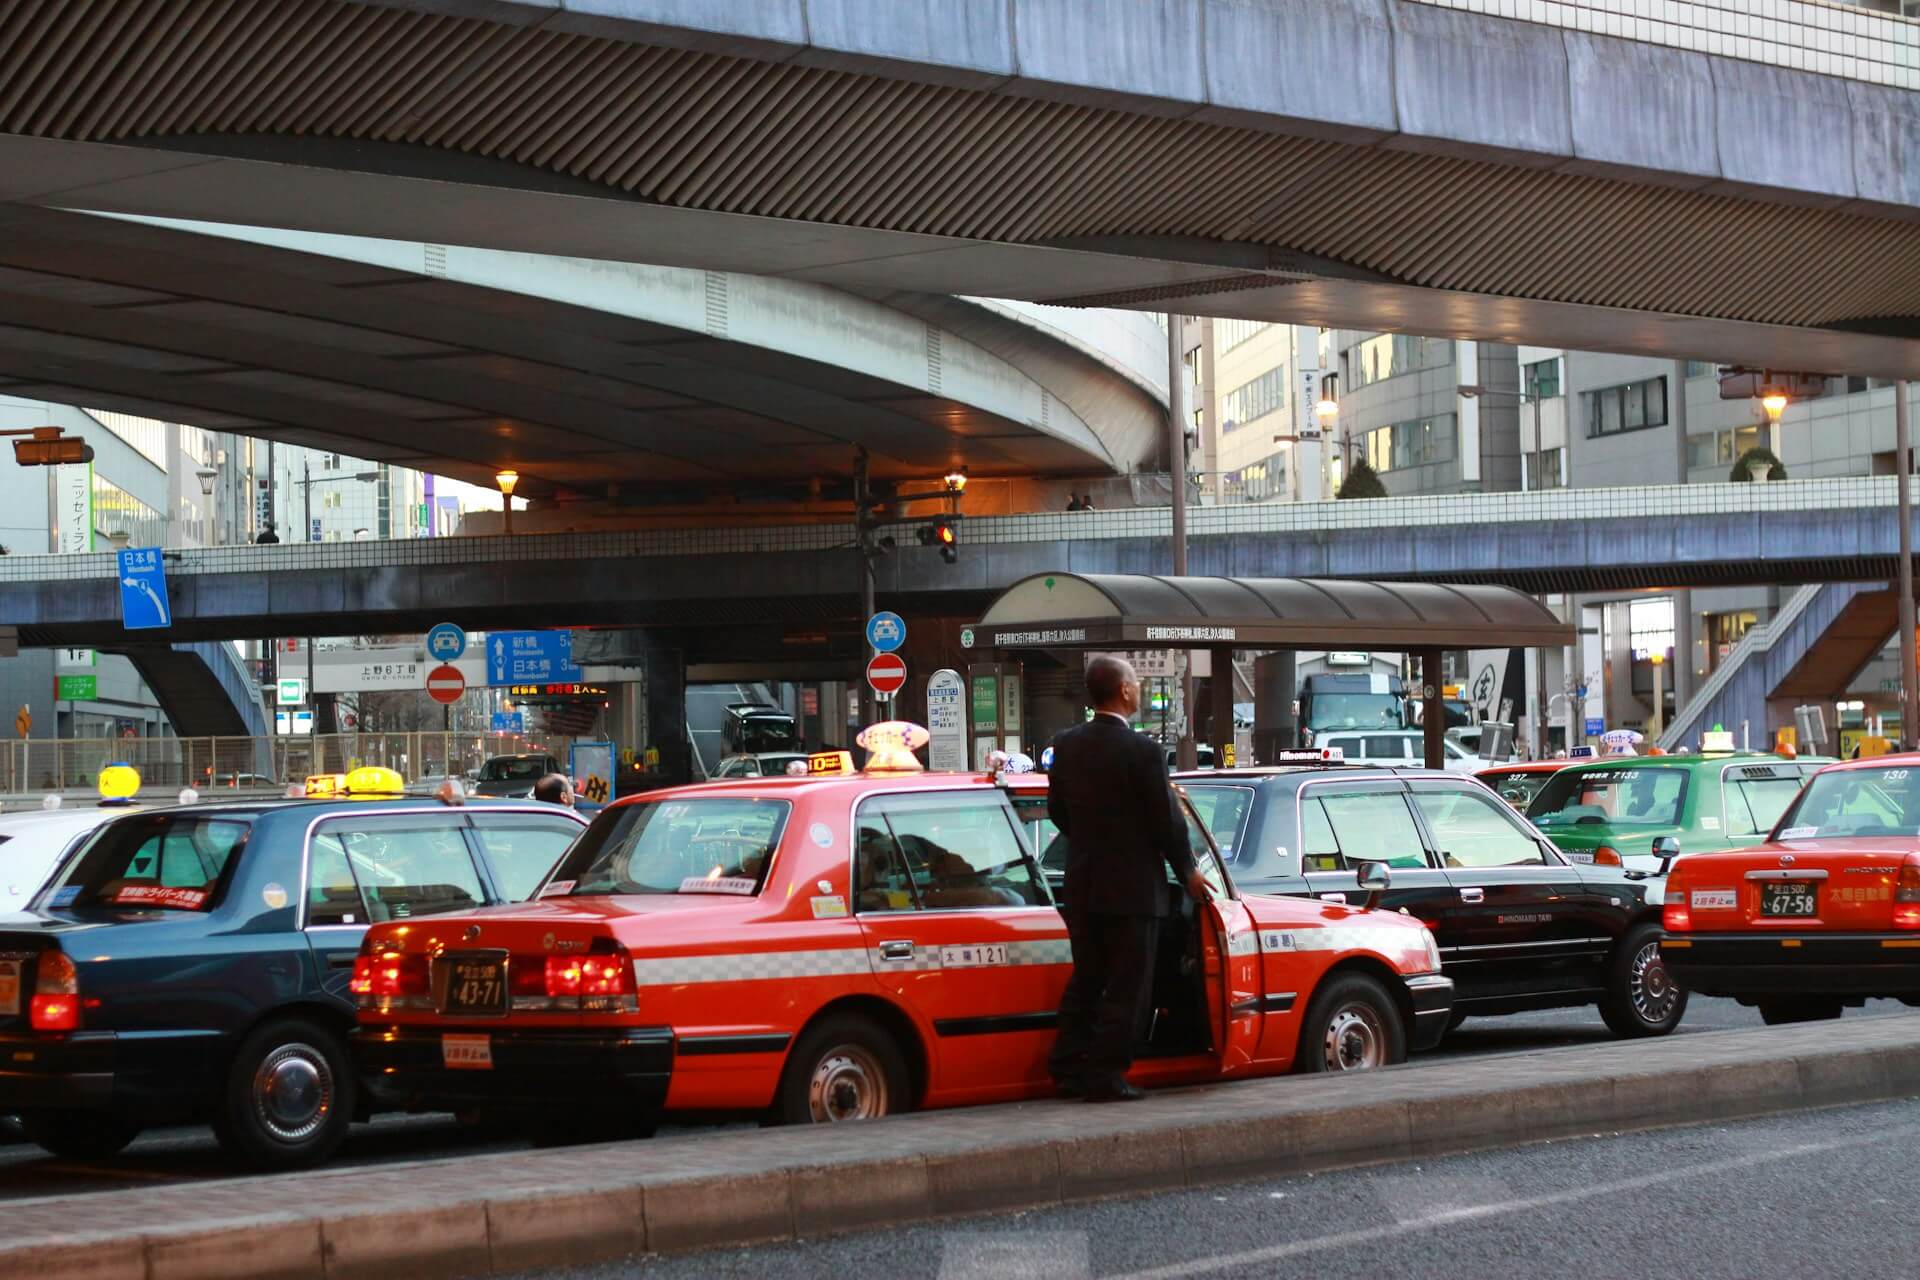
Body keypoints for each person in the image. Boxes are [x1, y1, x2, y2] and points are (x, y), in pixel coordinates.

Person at [1046, 655, 1208, 1102]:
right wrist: (1188, 871)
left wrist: (1090, 839)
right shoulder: (1143, 751)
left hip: (1083, 884)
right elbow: (1167, 821)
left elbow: (1056, 810)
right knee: (1127, 987)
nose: (1137, 689)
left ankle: (1067, 1068)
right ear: (1124, 690)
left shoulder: (1067, 744)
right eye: (1135, 683)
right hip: (1134, 889)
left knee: (1087, 979)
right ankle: (1105, 1075)